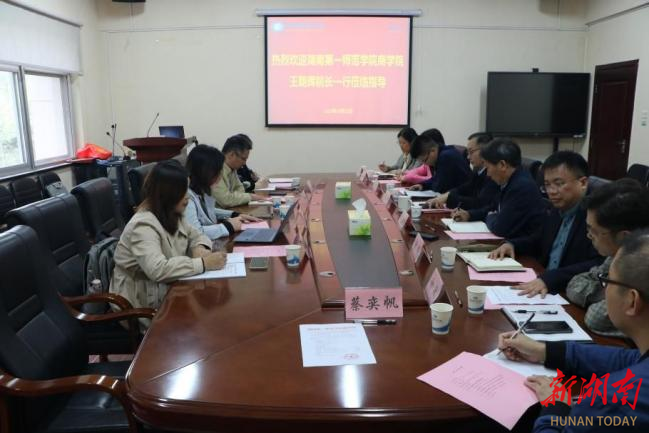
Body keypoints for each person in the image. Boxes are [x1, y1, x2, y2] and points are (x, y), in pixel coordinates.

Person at [497, 229, 649, 433]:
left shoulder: (613, 400)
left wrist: (556, 407)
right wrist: (543, 351)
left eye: (607, 280)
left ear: (632, 301)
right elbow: (628, 360)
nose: (604, 289)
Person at [110, 160, 226, 320]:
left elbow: (196, 235)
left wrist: (199, 247)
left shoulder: (171, 212)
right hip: (141, 300)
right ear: (168, 194)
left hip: (169, 288)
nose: (187, 197)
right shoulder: (142, 225)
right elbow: (157, 269)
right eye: (182, 191)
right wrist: (204, 263)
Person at [488, 151, 603, 297]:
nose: (551, 191)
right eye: (547, 185)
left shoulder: (596, 217)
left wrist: (550, 279)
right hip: (542, 284)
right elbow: (539, 239)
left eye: (559, 184)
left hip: (569, 292)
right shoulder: (555, 209)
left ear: (583, 183)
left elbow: (598, 264)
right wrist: (513, 245)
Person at [565, 179, 649, 337]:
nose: (589, 236)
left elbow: (595, 318)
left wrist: (608, 291)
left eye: (594, 231)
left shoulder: (641, 262)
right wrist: (611, 292)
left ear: (624, 236)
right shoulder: (623, 252)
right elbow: (575, 284)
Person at [452, 137, 545, 239]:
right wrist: (469, 215)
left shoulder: (521, 187)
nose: (487, 174)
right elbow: (493, 207)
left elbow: (500, 228)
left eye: (488, 168)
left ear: (502, 165)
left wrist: (490, 216)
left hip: (520, 246)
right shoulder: (509, 180)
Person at [185, 144, 261, 240]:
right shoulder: (186, 198)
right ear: (205, 172)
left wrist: (234, 215)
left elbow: (209, 211)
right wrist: (228, 226)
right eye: (217, 172)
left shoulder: (201, 190)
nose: (220, 176)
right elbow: (194, 233)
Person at [426, 132, 499, 210]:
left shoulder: (493, 174)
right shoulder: (478, 172)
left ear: (485, 150)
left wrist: (449, 199)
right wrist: (446, 196)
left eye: (471, 152)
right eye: (467, 153)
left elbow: (480, 203)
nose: (468, 157)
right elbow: (465, 188)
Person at [402, 129, 471, 193]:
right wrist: (422, 185)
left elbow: (439, 187)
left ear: (432, 151)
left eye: (425, 160)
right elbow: (436, 179)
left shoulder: (445, 156)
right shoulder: (442, 152)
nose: (425, 164)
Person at [212, 134, 265, 208]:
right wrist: (250, 197)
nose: (244, 163)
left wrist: (233, 196)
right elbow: (225, 200)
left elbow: (240, 189)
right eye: (243, 159)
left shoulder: (232, 168)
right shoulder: (214, 168)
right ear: (231, 155)